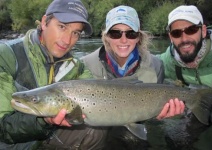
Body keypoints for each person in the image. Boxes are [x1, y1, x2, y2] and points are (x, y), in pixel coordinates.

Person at [0, 0, 107, 149]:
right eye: (62, 27)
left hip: (47, 137)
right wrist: (44, 121)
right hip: (11, 143)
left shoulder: (77, 67)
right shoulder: (5, 55)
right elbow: (2, 128)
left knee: (94, 131)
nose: (67, 40)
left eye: (75, 32)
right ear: (44, 22)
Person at [82, 5, 185, 149]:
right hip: (99, 129)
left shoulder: (156, 65)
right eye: (115, 33)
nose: (123, 40)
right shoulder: (86, 64)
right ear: (106, 37)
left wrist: (161, 114)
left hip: (137, 124)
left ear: (138, 37)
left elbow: (155, 108)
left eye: (130, 33)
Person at [157, 5, 212, 149]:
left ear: (203, 31)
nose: (184, 39)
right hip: (199, 105)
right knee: (175, 140)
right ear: (171, 37)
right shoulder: (166, 61)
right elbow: (142, 66)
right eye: (177, 33)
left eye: (191, 30)